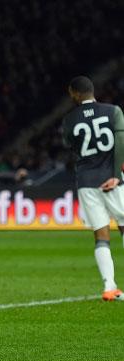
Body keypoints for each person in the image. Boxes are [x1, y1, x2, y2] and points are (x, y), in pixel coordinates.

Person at [62, 75, 124, 301]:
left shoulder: (69, 119)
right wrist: (117, 175)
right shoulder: (113, 111)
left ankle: (109, 287)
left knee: (101, 235)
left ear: (76, 93)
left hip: (87, 181)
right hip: (113, 180)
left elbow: (69, 145)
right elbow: (121, 144)